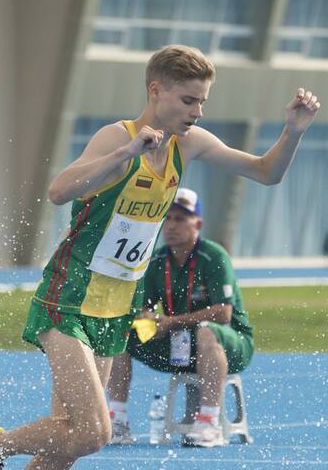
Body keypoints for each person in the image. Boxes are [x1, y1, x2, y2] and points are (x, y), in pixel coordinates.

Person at [0, 44, 320, 470]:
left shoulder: (187, 146)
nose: (197, 112)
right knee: (93, 431)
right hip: (69, 297)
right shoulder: (118, 136)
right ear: (156, 90)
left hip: (114, 309)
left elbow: (265, 172)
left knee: (70, 441)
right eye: (188, 100)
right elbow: (60, 191)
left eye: (202, 103)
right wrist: (125, 154)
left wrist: (293, 131)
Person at [106, 187, 253, 448]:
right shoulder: (157, 259)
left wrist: (172, 322)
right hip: (178, 343)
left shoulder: (214, 256)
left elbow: (223, 313)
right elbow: (142, 308)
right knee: (123, 331)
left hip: (231, 342)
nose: (172, 225)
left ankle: (208, 422)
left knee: (206, 329)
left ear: (198, 224)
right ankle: (117, 420)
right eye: (169, 218)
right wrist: (149, 319)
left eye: (181, 219)